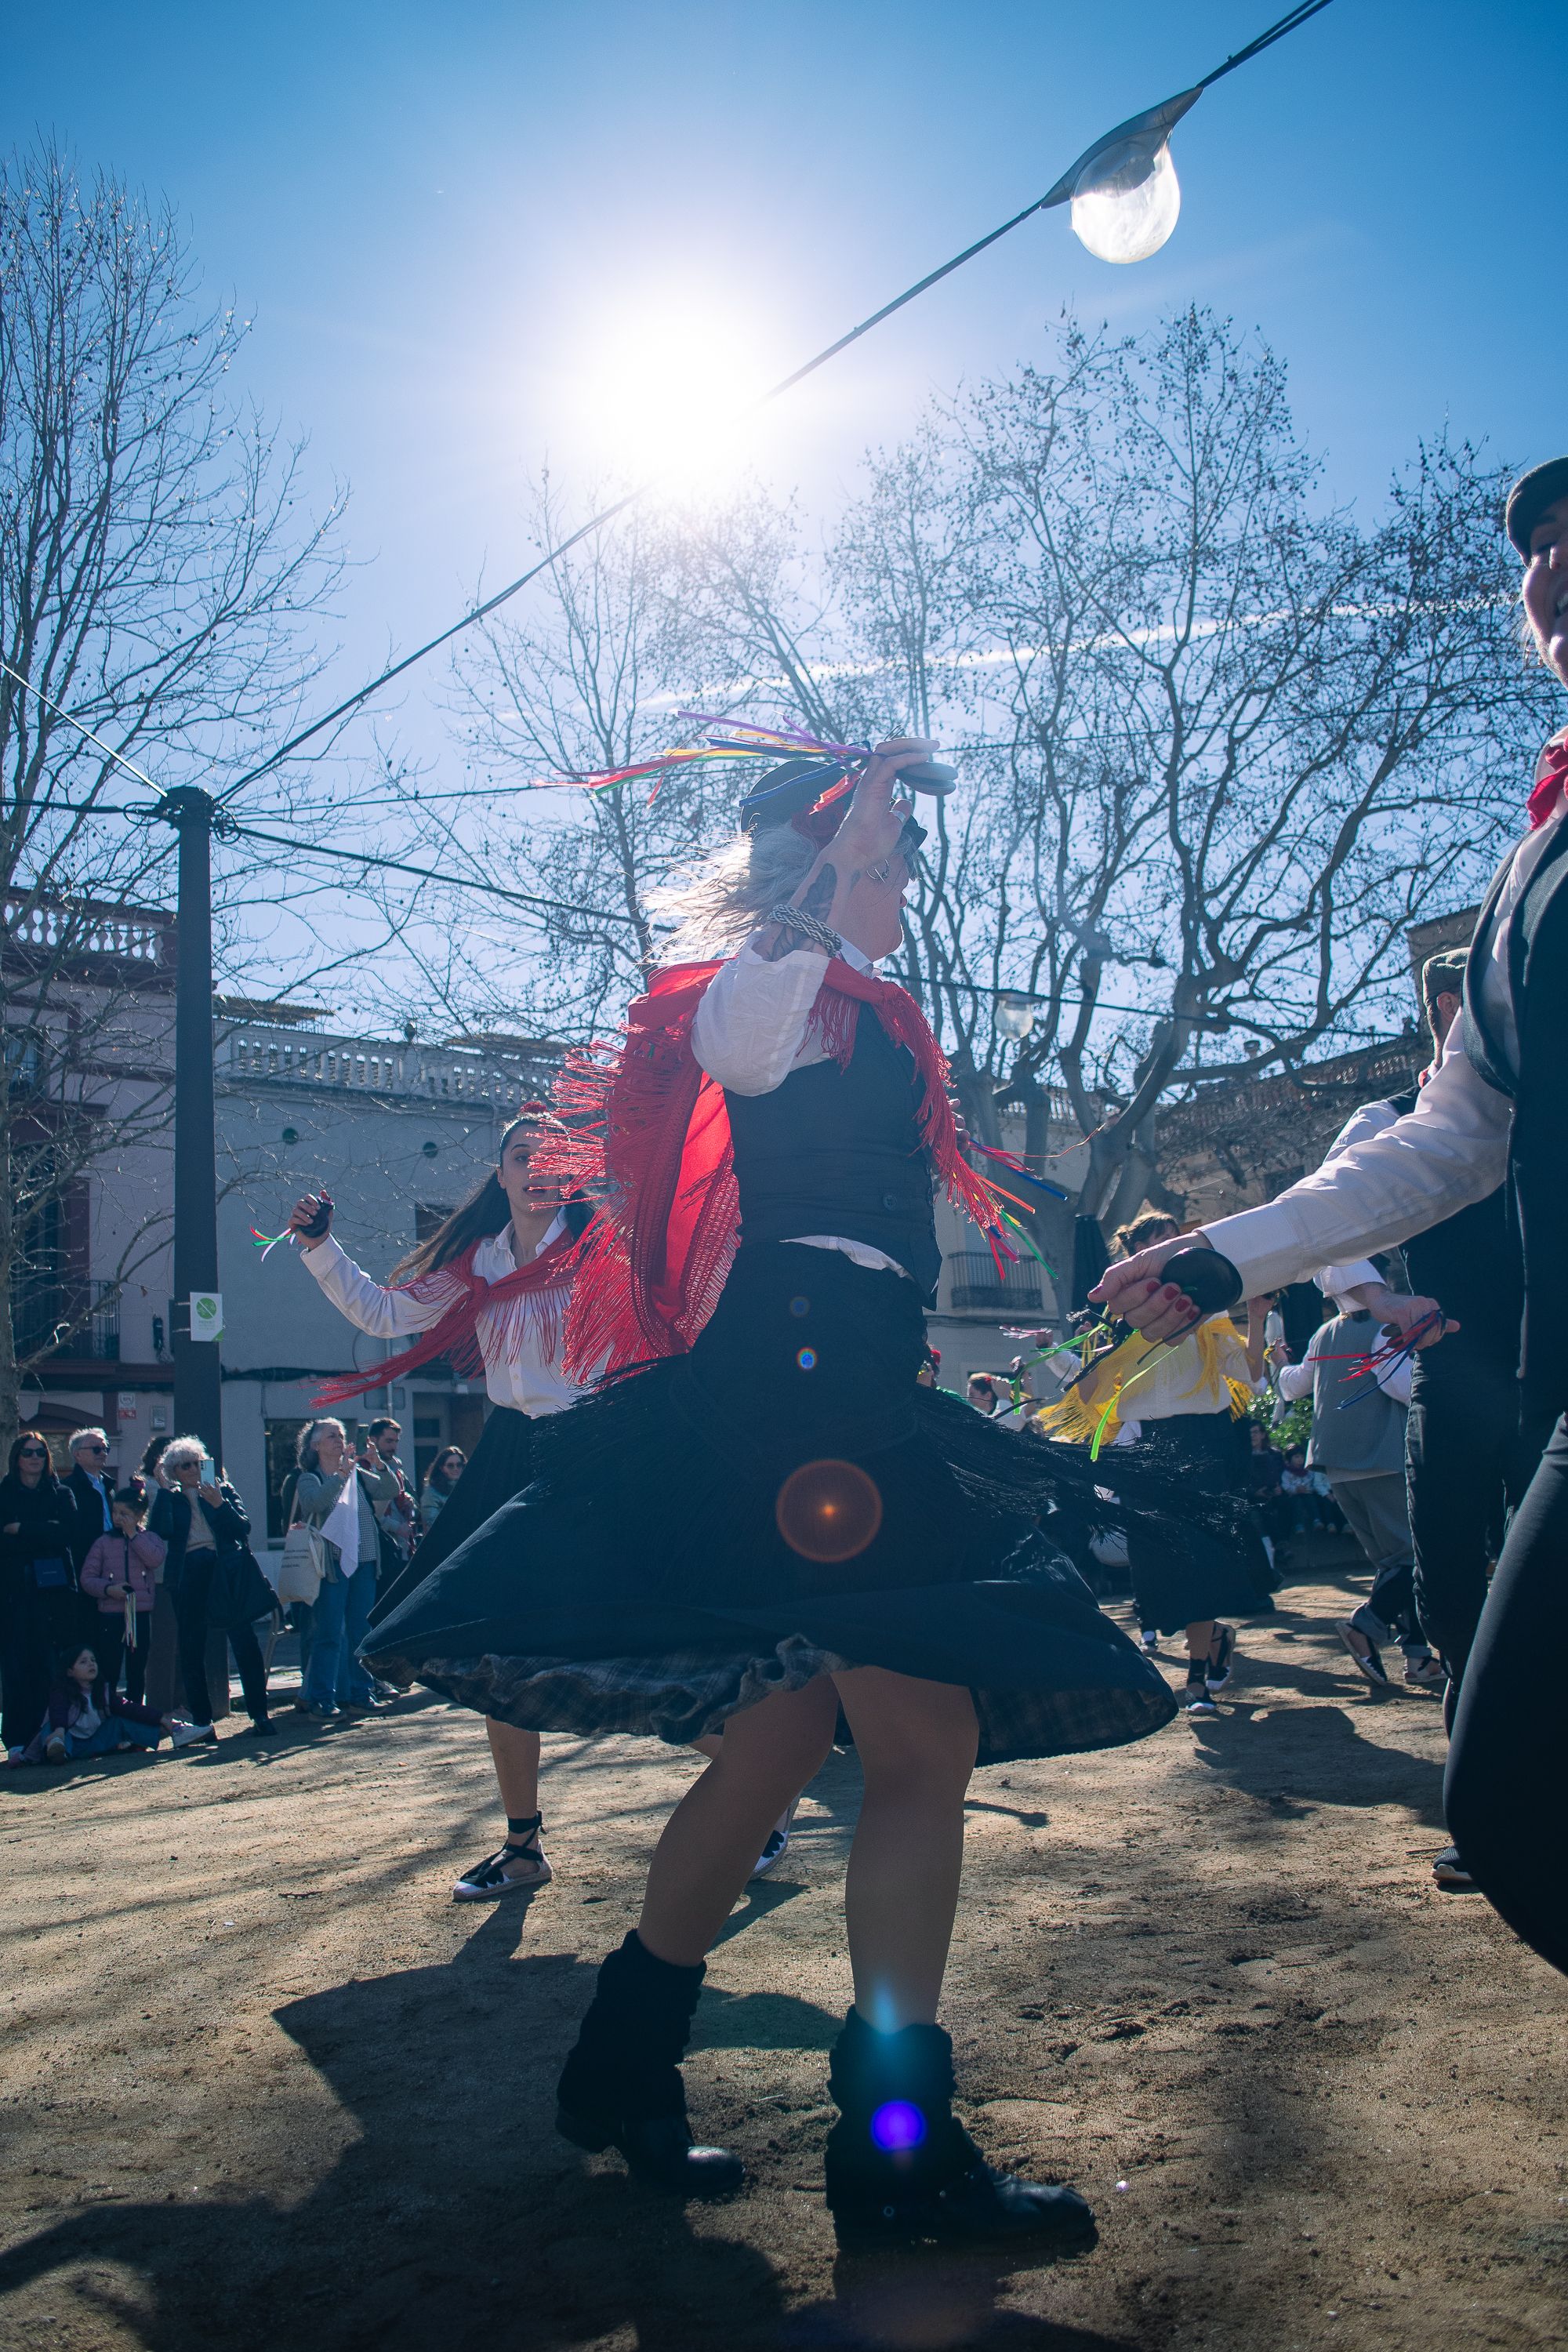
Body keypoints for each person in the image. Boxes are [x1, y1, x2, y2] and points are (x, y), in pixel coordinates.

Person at [367, 736, 1176, 2242]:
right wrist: (810, 886)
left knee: (779, 1739)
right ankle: (893, 2146)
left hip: (837, 1365)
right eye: (891, 853)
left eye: (903, 854)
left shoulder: (867, 1000)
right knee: (920, 1735)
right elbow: (734, 1049)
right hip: (803, 1379)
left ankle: (624, 2071)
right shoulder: (778, 980)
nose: (909, 876)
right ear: (828, 860)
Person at [1090, 454, 1568, 1976]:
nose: (1551, 566)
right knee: (1505, 1801)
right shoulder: (1529, 867)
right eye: (1536, 549)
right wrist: (1222, 1256)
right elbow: (1447, 1142)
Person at [1037, 1210, 1272, 1718]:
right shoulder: (1125, 1327)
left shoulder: (1211, 1318)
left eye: (1176, 1240)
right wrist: (1093, 1357)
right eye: (1158, 1243)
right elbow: (1092, 1390)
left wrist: (1258, 1316)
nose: (1171, 1249)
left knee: (1202, 1559)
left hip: (1202, 1442)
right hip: (1149, 1451)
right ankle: (1210, 1645)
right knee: (1162, 1567)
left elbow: (1253, 1376)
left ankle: (1197, 1681)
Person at [1273, 1296, 1441, 1692]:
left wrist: (1278, 1363)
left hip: (1336, 1462)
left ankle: (1418, 1657)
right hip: (1381, 1453)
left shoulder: (1325, 1331)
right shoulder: (1387, 1328)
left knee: (1392, 1563)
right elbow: (1401, 1386)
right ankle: (1365, 1624)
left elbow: (1295, 1385)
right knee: (1411, 1558)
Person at [148, 1439, 274, 1742]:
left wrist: (218, 1504)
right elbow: (160, 1531)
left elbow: (241, 1529)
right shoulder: (172, 1498)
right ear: (174, 1471)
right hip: (188, 1573)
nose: (193, 1470)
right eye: (185, 1465)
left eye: (198, 1463)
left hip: (224, 1570)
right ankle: (203, 1722)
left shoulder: (222, 1490)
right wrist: (165, 1492)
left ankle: (259, 1713)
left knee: (244, 1642)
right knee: (192, 1649)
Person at [288, 1418, 386, 1720]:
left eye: (341, 1435)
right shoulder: (310, 1478)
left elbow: (389, 1489)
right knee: (329, 1633)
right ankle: (322, 1699)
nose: (339, 1440)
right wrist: (340, 1476)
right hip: (330, 1566)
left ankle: (361, 1692)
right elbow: (314, 1504)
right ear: (315, 1446)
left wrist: (376, 1463)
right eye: (331, 1436)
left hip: (364, 1560)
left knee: (360, 1630)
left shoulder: (356, 1471)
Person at [0, 1433, 81, 1752]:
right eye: (27, 1453)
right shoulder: (4, 1494)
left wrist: (23, 1529)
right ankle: (18, 1741)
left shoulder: (62, 1493)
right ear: (17, 1458)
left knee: (54, 1666)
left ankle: (54, 1734)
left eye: (40, 1453)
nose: (34, 1458)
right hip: (14, 1595)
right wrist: (45, 1531)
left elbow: (69, 1533)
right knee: (18, 1667)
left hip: (56, 1594)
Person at [13, 1642, 202, 1765]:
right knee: (52, 1730)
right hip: (68, 1740)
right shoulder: (61, 1692)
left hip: (94, 1741)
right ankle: (58, 1752)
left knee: (120, 1722)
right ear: (70, 1671)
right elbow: (58, 1713)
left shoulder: (101, 1691)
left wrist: (162, 1718)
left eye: (93, 1660)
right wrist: (59, 1731)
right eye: (83, 1662)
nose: (91, 1665)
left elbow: (128, 1708)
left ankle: (175, 1730)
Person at [79, 1486, 165, 1700]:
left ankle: (136, 1714)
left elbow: (154, 1559)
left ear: (139, 1515)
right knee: (110, 1669)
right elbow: (87, 1578)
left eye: (125, 1514)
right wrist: (108, 1590)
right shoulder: (103, 1543)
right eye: (115, 1513)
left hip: (139, 1615)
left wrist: (133, 1536)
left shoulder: (150, 1538)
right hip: (111, 1614)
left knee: (137, 1670)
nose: (118, 1518)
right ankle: (108, 1713)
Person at [358, 1416, 416, 1581]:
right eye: (389, 1441)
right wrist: (397, 1527)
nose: (394, 1447)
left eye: (396, 1441)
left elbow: (413, 1501)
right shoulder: (364, 1469)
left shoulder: (397, 1468)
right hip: (380, 1547)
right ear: (373, 1440)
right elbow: (369, 1513)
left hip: (401, 1546)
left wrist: (410, 1503)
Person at [419, 1446, 466, 1535]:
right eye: (450, 1465)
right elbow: (432, 1525)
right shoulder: (431, 1493)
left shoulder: (468, 1489)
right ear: (442, 1468)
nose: (456, 1469)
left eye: (459, 1465)